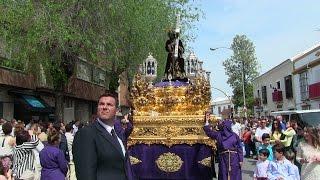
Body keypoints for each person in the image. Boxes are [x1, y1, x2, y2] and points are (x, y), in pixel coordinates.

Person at [73, 93, 133, 180]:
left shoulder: (117, 134)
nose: (104, 107)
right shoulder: (86, 134)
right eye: (101, 104)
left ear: (117, 110)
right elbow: (85, 174)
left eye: (109, 105)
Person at [203, 112, 243, 180]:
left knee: (234, 174)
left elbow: (239, 147)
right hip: (223, 158)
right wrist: (207, 121)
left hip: (234, 158)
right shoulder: (219, 135)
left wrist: (240, 160)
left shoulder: (234, 135)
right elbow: (209, 132)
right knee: (224, 173)